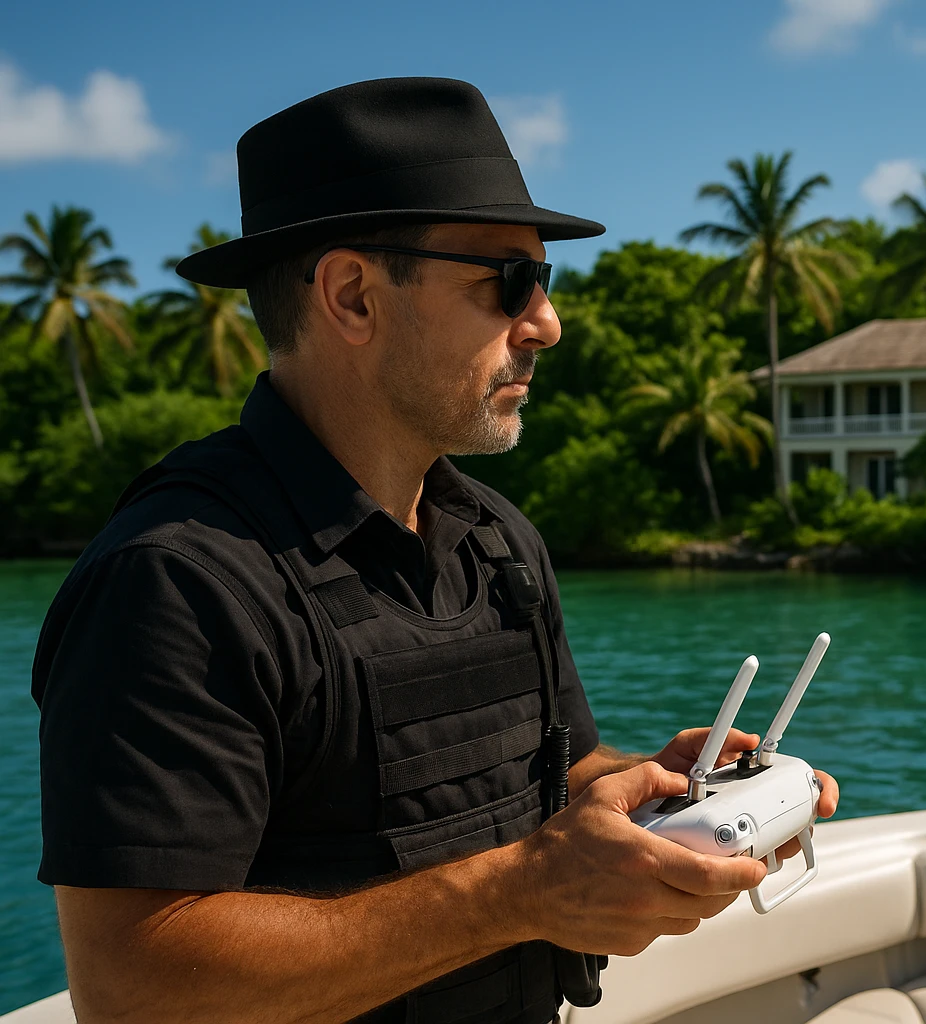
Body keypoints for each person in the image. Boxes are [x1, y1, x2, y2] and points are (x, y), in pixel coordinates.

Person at [30, 77, 839, 1024]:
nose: (546, 322)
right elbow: (134, 989)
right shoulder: (176, 582)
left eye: (546, 280)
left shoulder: (497, 542)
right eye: (506, 281)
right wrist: (519, 891)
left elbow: (556, 771)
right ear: (352, 296)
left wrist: (661, 798)